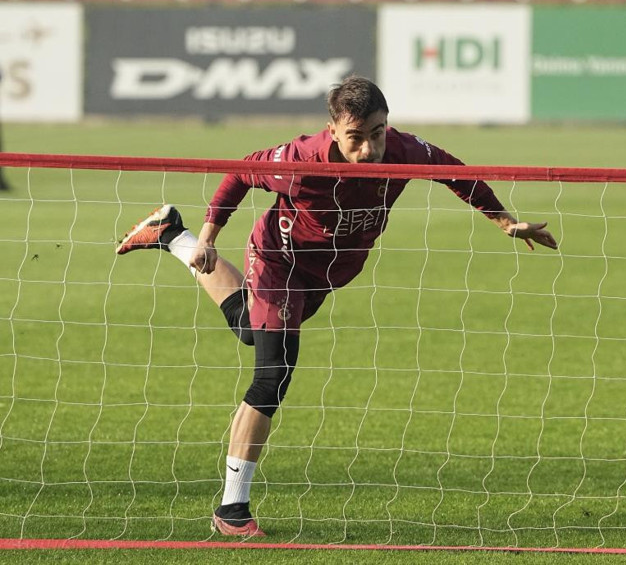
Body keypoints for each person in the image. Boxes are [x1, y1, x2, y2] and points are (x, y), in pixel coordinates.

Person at [116, 76, 558, 538]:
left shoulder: (405, 151)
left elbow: (455, 173)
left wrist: (505, 223)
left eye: (378, 133)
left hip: (326, 274)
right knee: (273, 372)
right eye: (356, 138)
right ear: (332, 130)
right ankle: (232, 510)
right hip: (278, 260)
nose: (369, 150)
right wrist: (210, 236)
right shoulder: (300, 160)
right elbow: (240, 172)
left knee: (249, 329)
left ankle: (170, 234)